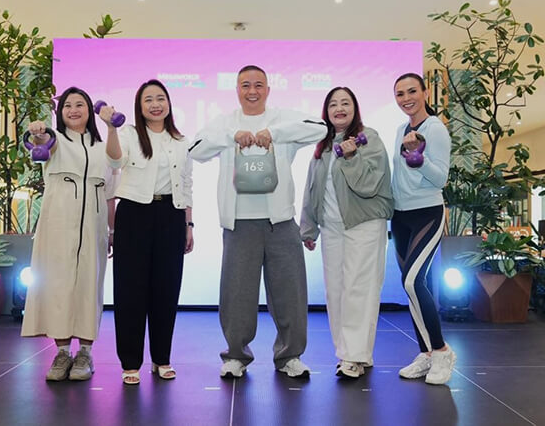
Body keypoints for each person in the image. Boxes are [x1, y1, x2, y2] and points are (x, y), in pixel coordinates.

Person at [189, 65, 327, 379]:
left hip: (281, 222)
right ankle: (236, 356)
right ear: (237, 89)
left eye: (258, 85)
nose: (252, 91)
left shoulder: (282, 118)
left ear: (268, 89)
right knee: (237, 295)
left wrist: (274, 134)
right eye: (246, 85)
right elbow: (195, 150)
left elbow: (321, 128)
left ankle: (290, 356)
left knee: (290, 293)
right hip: (239, 223)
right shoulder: (224, 122)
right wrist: (231, 137)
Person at [101, 79, 194, 385]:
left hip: (171, 215)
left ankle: (161, 358)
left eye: (160, 98)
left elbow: (187, 184)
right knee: (130, 291)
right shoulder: (128, 134)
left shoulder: (181, 140)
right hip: (134, 214)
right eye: (148, 100)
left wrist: (188, 224)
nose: (155, 104)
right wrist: (111, 128)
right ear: (139, 107)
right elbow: (114, 160)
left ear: (169, 103)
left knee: (166, 290)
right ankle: (130, 362)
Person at [21, 86, 115, 382]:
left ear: (90, 110)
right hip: (58, 223)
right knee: (58, 284)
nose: (73, 110)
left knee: (89, 284)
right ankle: (62, 353)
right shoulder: (55, 140)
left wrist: (112, 230)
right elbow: (39, 144)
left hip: (94, 225)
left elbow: (110, 192)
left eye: (79, 104)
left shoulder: (102, 147)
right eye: (67, 106)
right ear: (60, 113)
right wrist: (38, 132)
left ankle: (85, 353)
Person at [300, 86, 393, 379]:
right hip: (331, 227)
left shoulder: (369, 138)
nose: (339, 109)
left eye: (345, 103)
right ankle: (351, 353)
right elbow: (312, 188)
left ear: (355, 108)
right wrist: (308, 227)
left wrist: (352, 158)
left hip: (364, 223)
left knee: (359, 289)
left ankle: (354, 355)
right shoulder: (323, 146)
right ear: (326, 111)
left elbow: (370, 185)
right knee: (336, 290)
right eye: (333, 104)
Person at [391, 72, 456, 385]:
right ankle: (426, 353)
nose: (406, 98)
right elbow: (398, 177)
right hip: (400, 216)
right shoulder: (400, 130)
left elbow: (440, 179)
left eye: (412, 91)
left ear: (425, 92)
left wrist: (418, 159)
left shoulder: (435, 129)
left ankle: (442, 350)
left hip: (427, 213)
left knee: (413, 280)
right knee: (413, 286)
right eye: (400, 94)